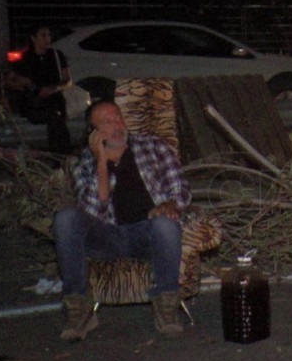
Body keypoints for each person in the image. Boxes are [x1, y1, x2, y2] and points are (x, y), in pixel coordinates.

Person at [53, 98, 190, 340]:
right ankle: (79, 309)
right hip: (107, 236)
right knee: (66, 218)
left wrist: (169, 205)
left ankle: (167, 306)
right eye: (107, 122)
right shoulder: (83, 161)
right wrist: (101, 162)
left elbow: (180, 189)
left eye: (118, 117)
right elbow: (91, 210)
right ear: (93, 133)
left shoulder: (153, 146)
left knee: (166, 224)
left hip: (147, 233)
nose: (117, 124)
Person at [4, 24, 74, 155]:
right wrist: (21, 83)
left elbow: (68, 81)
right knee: (55, 119)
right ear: (33, 38)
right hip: (33, 104)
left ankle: (60, 158)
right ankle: (63, 157)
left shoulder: (56, 55)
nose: (48, 38)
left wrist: (53, 88)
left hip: (54, 101)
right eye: (43, 35)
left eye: (49, 35)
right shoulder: (25, 58)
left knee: (56, 120)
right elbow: (8, 82)